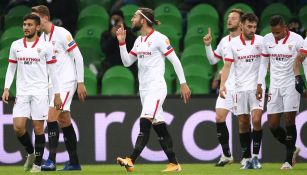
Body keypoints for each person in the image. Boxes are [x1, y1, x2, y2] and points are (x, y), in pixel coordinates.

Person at [115, 7, 191, 172]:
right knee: (159, 125)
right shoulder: (138, 41)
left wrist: (183, 83)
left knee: (145, 120)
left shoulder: (159, 38)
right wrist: (122, 42)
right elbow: (127, 62)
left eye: (134, 17)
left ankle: (131, 159)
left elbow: (175, 60)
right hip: (144, 90)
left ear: (143, 20)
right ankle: (174, 163)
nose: (132, 20)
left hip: (156, 87)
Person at [1, 14, 62, 172]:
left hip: (40, 92)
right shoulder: (15, 45)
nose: (26, 27)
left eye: (29, 24)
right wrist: (7, 88)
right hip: (22, 93)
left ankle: (37, 165)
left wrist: (57, 94)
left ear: (37, 27)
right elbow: (11, 68)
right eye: (24, 24)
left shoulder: (46, 46)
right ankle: (30, 153)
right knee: (18, 128)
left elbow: (53, 72)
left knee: (38, 129)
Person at [31, 5, 87, 171]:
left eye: (36, 19)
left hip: (67, 82)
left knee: (51, 117)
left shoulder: (62, 33)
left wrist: (81, 82)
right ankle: (75, 162)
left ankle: (51, 160)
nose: (34, 22)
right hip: (54, 85)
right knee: (64, 121)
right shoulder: (42, 39)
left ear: (45, 18)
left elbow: (78, 57)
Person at [256, 15, 303, 170]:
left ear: (285, 27)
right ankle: (293, 148)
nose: (275, 35)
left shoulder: (297, 40)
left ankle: (288, 161)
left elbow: (304, 61)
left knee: (290, 121)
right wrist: (260, 84)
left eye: (278, 32)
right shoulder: (267, 39)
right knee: (272, 124)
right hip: (274, 86)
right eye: (273, 32)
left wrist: (303, 80)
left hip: (290, 85)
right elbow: (263, 63)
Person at [220, 13, 264, 169]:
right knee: (243, 123)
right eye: (249, 26)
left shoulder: (261, 41)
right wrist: (222, 84)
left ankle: (255, 157)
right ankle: (246, 158)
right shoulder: (232, 44)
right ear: (242, 26)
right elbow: (227, 65)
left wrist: (261, 81)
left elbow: (267, 61)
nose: (252, 29)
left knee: (257, 120)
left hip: (256, 87)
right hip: (239, 88)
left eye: (254, 27)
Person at [203, 9, 243, 166]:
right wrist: (207, 46)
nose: (229, 20)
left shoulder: (247, 40)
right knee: (219, 117)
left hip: (243, 87)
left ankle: (247, 157)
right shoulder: (224, 41)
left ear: (241, 22)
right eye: (228, 17)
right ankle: (227, 155)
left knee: (244, 122)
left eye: (233, 18)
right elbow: (213, 60)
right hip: (227, 86)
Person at [98, 10, 137, 93]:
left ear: (122, 20)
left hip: (127, 64)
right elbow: (105, 49)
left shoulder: (130, 33)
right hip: (110, 63)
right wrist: (112, 37)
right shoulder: (106, 34)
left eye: (118, 19)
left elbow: (133, 49)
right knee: (101, 74)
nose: (115, 22)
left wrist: (123, 37)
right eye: (113, 20)